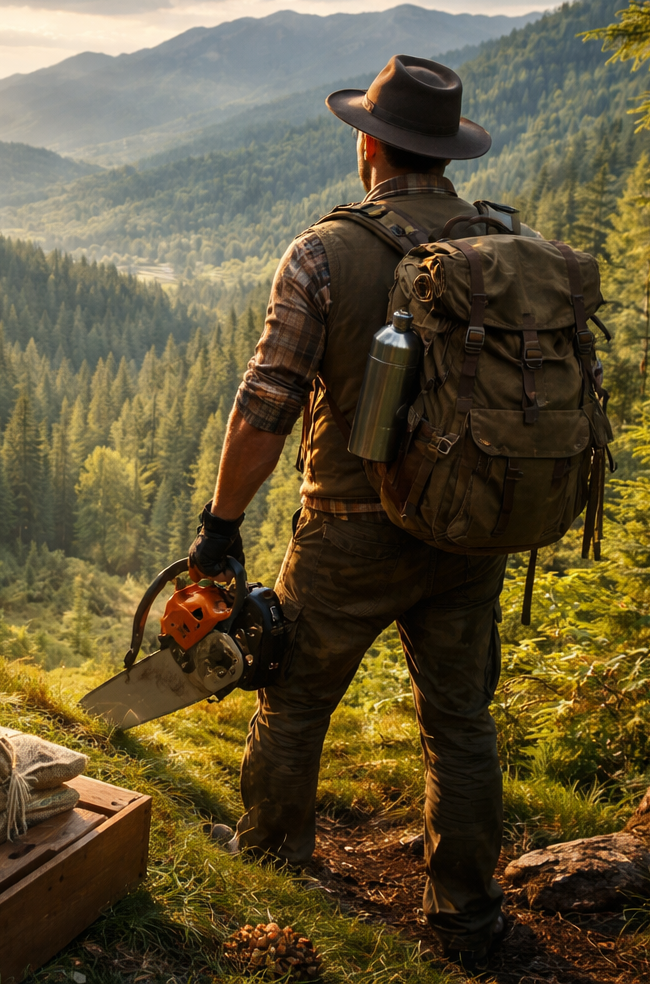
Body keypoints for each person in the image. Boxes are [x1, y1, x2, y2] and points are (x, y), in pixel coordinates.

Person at [188, 55, 516, 970]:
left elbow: (267, 402)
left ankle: (274, 870)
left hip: (349, 526)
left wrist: (221, 524)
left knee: (293, 701)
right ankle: (467, 915)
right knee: (460, 719)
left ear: (368, 145)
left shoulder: (326, 250)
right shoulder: (498, 242)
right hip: (467, 526)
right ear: (448, 155)